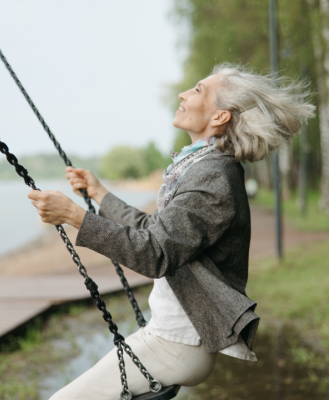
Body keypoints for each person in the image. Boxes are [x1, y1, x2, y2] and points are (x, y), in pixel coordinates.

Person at [28, 63, 315, 400]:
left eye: (197, 90)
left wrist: (76, 216)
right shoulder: (202, 165)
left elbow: (155, 253)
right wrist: (100, 194)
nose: (183, 94)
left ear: (220, 117)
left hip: (178, 343)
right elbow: (157, 231)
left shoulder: (213, 175)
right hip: (173, 337)